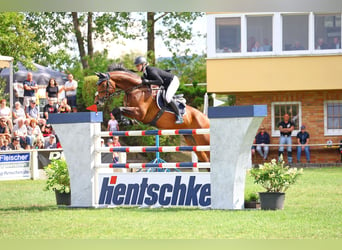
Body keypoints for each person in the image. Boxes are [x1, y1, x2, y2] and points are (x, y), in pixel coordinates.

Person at [134, 56, 184, 124]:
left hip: (173, 81)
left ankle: (179, 116)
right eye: (136, 66)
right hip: (166, 83)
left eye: (138, 65)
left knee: (167, 98)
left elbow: (160, 81)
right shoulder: (145, 73)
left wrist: (147, 81)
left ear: (143, 64)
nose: (137, 67)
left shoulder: (150, 70)